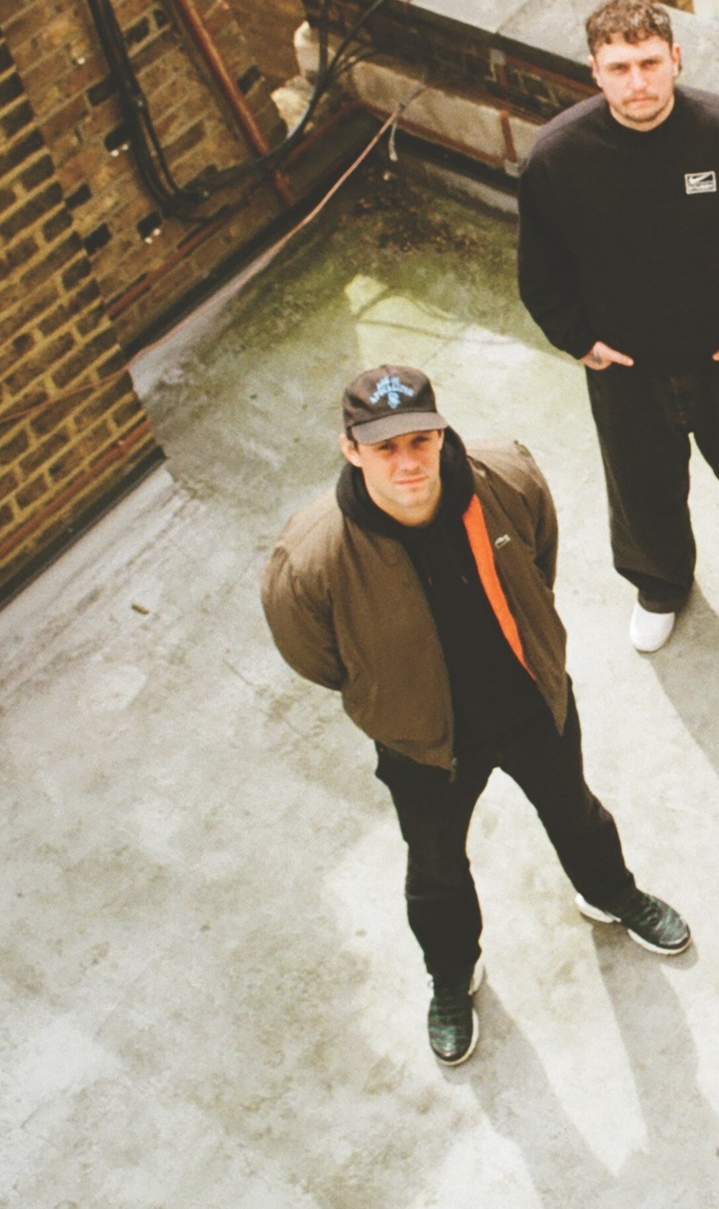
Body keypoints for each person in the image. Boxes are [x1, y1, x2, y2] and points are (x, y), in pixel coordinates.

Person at [261, 365, 692, 1066]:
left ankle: (611, 893)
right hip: (426, 743)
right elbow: (317, 657)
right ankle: (453, 976)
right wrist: (391, 700)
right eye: (384, 448)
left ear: (441, 433)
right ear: (351, 450)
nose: (407, 462)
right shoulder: (313, 557)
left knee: (576, 811)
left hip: (531, 704)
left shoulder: (505, 479)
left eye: (420, 440)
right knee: (435, 868)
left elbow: (538, 561)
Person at [516, 0, 719, 653]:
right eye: (619, 68)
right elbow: (541, 270)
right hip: (627, 370)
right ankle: (659, 587)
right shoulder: (558, 157)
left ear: (676, 58)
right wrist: (579, 342)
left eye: (649, 63)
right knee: (641, 489)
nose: (637, 81)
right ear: (595, 71)